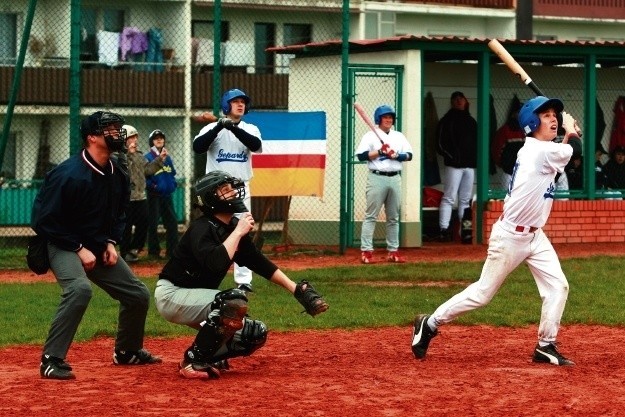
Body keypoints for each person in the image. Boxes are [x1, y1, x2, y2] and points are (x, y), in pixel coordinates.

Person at [411, 96, 582, 366]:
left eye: (555, 115)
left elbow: (566, 154)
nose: (553, 119)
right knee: (482, 294)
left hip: (535, 236)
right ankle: (429, 324)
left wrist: (569, 136)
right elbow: (575, 150)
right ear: (531, 122)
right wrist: (571, 131)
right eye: (546, 115)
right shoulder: (537, 151)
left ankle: (546, 345)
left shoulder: (544, 150)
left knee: (558, 286)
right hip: (510, 237)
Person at [154, 170, 329, 379]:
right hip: (172, 295)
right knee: (233, 302)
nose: (234, 193)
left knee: (252, 334)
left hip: (198, 298)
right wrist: (238, 233)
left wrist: (295, 289)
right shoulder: (202, 228)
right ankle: (194, 361)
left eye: (232, 189)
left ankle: (206, 355)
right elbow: (214, 262)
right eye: (225, 190)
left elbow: (259, 263)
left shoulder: (233, 227)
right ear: (211, 198)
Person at [31, 111, 161, 380]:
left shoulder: (117, 171)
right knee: (79, 289)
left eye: (117, 128)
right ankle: (51, 359)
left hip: (97, 244)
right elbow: (43, 221)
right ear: (91, 137)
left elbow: (120, 212)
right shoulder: (68, 174)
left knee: (137, 294)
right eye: (110, 129)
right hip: (61, 242)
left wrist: (111, 242)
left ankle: (127, 352)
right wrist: (78, 247)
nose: (118, 133)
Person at [192, 88, 262, 291]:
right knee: (211, 232)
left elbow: (255, 145)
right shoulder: (212, 128)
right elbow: (198, 147)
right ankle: (206, 275)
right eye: (235, 101)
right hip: (216, 191)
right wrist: (218, 127)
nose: (240, 104)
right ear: (226, 105)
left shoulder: (250, 128)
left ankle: (243, 281)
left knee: (242, 232)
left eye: (243, 101)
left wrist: (233, 128)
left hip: (240, 189)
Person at [355, 105, 413, 264]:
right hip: (377, 177)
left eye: (390, 117)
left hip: (395, 178)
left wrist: (396, 155)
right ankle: (366, 251)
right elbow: (361, 156)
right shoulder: (369, 136)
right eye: (385, 117)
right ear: (379, 119)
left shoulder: (399, 136)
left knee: (393, 217)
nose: (388, 120)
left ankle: (393, 251)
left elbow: (409, 155)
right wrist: (380, 152)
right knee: (371, 215)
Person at [436, 91, 478, 242]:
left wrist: (474, 159)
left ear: (466, 101)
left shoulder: (472, 121)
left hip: (469, 166)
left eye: (462, 98)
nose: (459, 101)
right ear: (452, 102)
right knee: (449, 197)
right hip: (454, 166)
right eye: (456, 99)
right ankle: (444, 230)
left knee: (466, 200)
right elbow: (439, 144)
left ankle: (465, 231)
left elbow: (478, 144)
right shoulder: (447, 120)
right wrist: (452, 157)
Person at [119, 125, 162, 262]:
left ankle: (134, 248)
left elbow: (147, 170)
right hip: (126, 198)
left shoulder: (139, 154)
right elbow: (123, 169)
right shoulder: (119, 155)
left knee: (144, 222)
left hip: (140, 196)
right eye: (131, 137)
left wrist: (160, 160)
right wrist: (129, 154)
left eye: (136, 137)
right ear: (124, 139)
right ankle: (124, 252)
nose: (135, 140)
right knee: (126, 226)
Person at [145, 129, 179, 259]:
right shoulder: (148, 157)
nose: (159, 140)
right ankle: (153, 252)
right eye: (156, 138)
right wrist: (154, 186)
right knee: (153, 224)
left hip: (167, 195)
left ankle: (172, 251)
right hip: (154, 195)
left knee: (172, 223)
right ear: (151, 142)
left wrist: (173, 183)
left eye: (161, 138)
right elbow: (145, 177)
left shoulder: (168, 158)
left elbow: (172, 173)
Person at [492, 100, 524, 191]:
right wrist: (503, 164)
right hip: (508, 172)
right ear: (513, 114)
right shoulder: (505, 130)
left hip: (525, 173)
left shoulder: (527, 130)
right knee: (506, 199)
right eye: (519, 112)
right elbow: (496, 150)